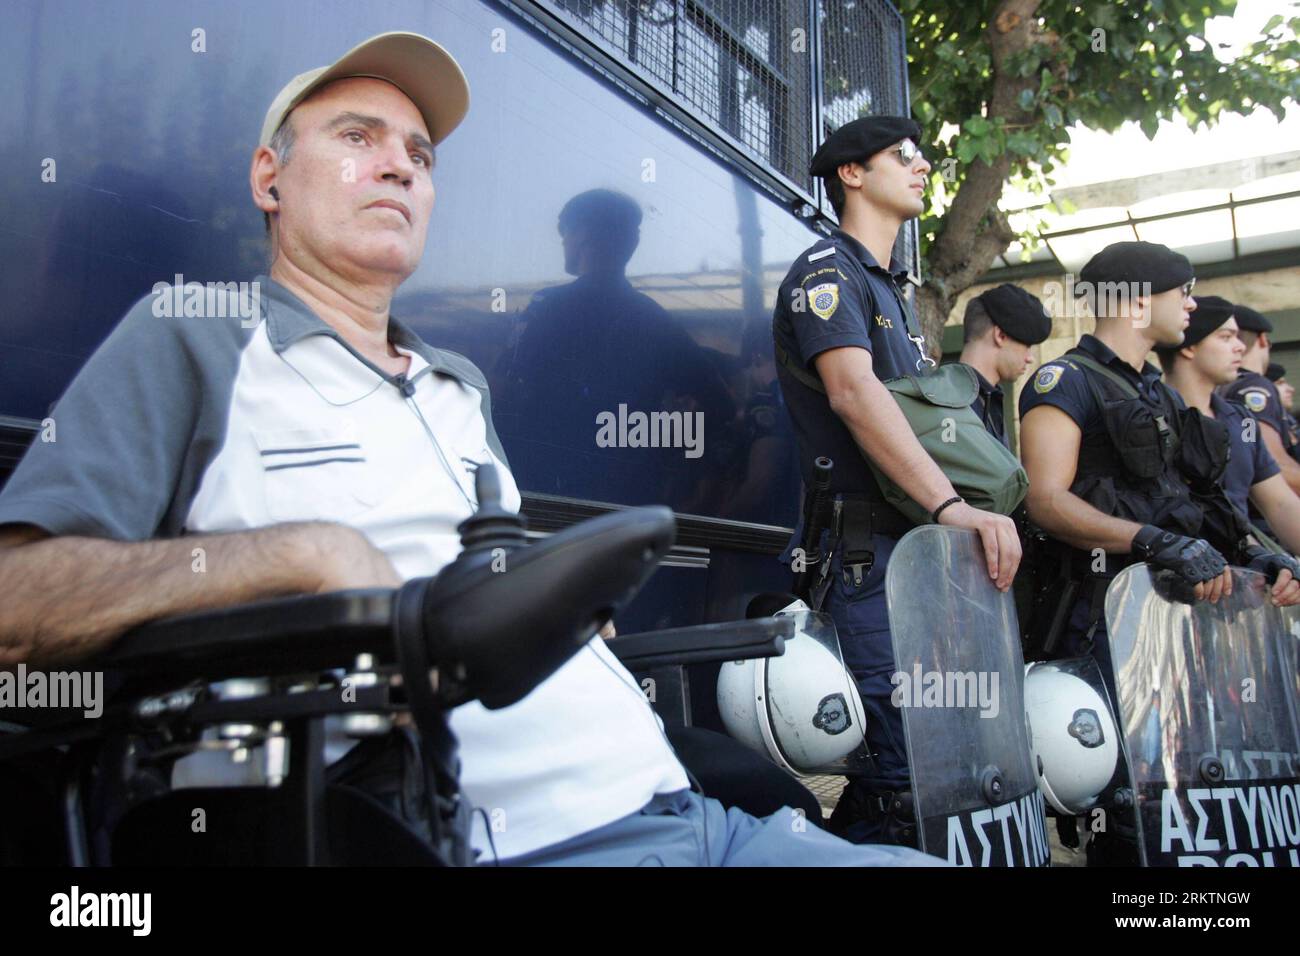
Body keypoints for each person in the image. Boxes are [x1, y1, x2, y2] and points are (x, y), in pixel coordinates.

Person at [0, 32, 936, 868]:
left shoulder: (458, 383)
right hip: (490, 834)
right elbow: (17, 607)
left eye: (419, 153)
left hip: (686, 809)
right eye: (357, 138)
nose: (400, 167)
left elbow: (498, 568)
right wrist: (298, 555)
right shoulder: (197, 338)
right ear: (268, 179)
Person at [771, 114, 1021, 845]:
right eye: (902, 156)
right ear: (852, 174)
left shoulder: (895, 297)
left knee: (934, 763)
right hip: (868, 559)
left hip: (914, 564)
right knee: (901, 773)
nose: (922, 167)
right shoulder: (826, 272)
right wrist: (949, 505)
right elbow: (853, 392)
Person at [1158, 296, 1300, 553]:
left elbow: (1281, 504)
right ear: (1189, 347)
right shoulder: (1149, 418)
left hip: (1244, 576)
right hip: (1173, 580)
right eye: (1226, 337)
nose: (1240, 347)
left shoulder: (1241, 420)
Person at [956, 283, 1052, 447]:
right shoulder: (953, 403)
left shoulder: (987, 398)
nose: (1030, 358)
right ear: (1000, 335)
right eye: (1027, 346)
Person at [1221, 305, 1300, 491]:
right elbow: (1270, 462)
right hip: (1264, 510)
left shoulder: (1223, 386)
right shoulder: (1254, 387)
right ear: (1263, 340)